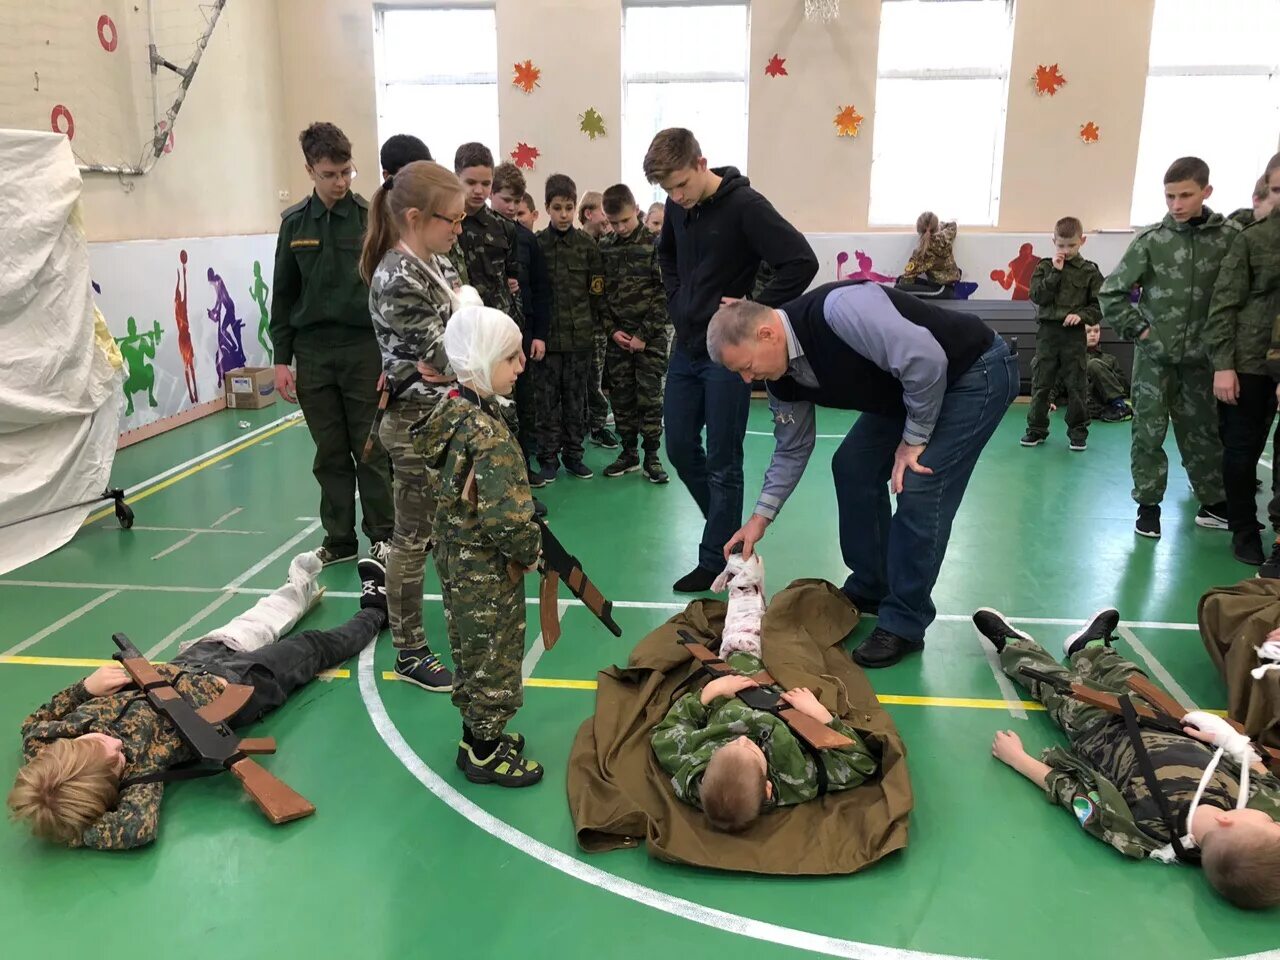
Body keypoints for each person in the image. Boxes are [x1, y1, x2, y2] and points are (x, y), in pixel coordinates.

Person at [710, 282, 1018, 667]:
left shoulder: (842, 310)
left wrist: (913, 440)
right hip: (909, 390)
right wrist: (759, 519)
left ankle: (905, 622)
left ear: (766, 334)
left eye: (746, 367)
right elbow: (791, 448)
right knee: (853, 466)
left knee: (919, 484)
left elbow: (926, 361)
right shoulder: (780, 376)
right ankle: (873, 584)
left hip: (972, 374)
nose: (746, 379)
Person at [8, 555, 387, 849]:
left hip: (185, 666)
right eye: (118, 764)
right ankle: (376, 610)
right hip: (241, 683)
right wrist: (68, 829)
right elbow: (135, 830)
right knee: (313, 647)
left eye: (103, 746)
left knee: (258, 621)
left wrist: (84, 689)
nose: (119, 747)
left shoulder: (45, 741)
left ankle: (300, 582)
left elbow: (33, 722)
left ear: (69, 745)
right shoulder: (140, 775)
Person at [973, 607, 1280, 911]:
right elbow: (1258, 771)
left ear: (1226, 823)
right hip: (1166, 722)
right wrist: (1227, 738)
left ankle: (1014, 646)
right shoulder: (1244, 801)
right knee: (1129, 676)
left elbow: (1070, 792)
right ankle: (1090, 648)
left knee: (1053, 682)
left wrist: (1018, 759)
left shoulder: (1140, 831)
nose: (1271, 816)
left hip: (1097, 729)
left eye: (1269, 822)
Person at [644, 127, 818, 593]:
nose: (676, 198)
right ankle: (725, 531)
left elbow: (801, 261)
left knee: (724, 457)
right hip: (685, 348)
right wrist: (678, 300)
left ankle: (714, 555)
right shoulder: (679, 211)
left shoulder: (746, 207)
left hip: (727, 357)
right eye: (667, 191)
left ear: (702, 164)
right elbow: (668, 258)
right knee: (679, 446)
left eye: (681, 185)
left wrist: (753, 309)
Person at [415, 301, 544, 787]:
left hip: (455, 555)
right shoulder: (488, 432)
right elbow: (506, 519)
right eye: (510, 357)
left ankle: (475, 736)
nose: (520, 365)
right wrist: (531, 549)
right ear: (484, 360)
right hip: (488, 566)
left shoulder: (452, 409)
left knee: (470, 650)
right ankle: (486, 755)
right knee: (495, 654)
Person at [360, 159, 467, 692]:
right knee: (413, 540)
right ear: (414, 216)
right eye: (451, 219)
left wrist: (460, 353)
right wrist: (458, 354)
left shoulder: (441, 265)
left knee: (451, 534)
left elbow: (467, 335)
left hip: (450, 414)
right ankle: (409, 649)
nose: (458, 229)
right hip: (414, 423)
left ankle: (450, 629)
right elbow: (448, 353)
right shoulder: (396, 276)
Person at [270, 123, 393, 566]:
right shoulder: (293, 225)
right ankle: (339, 539)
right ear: (309, 170)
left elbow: (389, 292)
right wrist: (282, 360)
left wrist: (391, 356)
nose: (341, 182)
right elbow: (282, 294)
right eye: (330, 174)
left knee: (371, 447)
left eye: (346, 172)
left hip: (364, 349)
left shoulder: (370, 219)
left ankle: (383, 534)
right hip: (314, 352)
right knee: (330, 452)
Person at [1100, 156, 1239, 540]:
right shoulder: (1152, 241)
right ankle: (1148, 506)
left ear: (1206, 192)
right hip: (1154, 361)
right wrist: (1141, 332)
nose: (1176, 205)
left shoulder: (1227, 239)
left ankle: (1213, 502)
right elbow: (1110, 293)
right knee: (1148, 432)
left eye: (1185, 196)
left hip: (1201, 360)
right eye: (1169, 197)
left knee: (1203, 433)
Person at [650, 657, 878, 833]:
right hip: (786, 688)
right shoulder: (798, 776)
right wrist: (823, 716)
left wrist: (709, 693)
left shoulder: (691, 765)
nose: (742, 740)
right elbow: (861, 762)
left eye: (727, 747)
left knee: (739, 645)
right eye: (750, 750)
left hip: (732, 679)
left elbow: (666, 735)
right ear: (768, 788)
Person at [1206, 153, 1280, 566]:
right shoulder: (1251, 240)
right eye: (1277, 189)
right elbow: (1223, 306)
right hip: (1249, 363)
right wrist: (1223, 364)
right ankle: (1244, 528)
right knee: (1239, 452)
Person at [533, 173, 604, 483]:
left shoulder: (588, 246)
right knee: (546, 402)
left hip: (579, 340)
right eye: (558, 208)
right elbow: (534, 293)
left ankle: (574, 456)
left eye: (569, 208)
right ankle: (548, 459)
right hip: (547, 341)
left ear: (577, 208)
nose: (564, 215)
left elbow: (597, 293)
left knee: (576, 401)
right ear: (547, 207)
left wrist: (593, 330)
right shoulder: (537, 245)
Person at [597, 184, 670, 484]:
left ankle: (652, 456)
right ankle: (629, 453)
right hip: (618, 340)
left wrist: (643, 334)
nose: (620, 227)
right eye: (613, 223)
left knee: (650, 400)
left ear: (636, 208)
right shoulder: (605, 247)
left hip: (649, 340)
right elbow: (599, 295)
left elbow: (665, 294)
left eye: (625, 220)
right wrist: (612, 331)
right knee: (623, 399)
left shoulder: (656, 246)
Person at [1021, 217, 1103, 452]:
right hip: (1048, 333)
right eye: (1061, 246)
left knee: (1077, 384)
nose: (1065, 251)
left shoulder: (1090, 271)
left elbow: (1100, 305)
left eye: (1071, 246)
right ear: (1053, 241)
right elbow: (1037, 296)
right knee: (1041, 382)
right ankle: (1036, 430)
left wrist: (1082, 315)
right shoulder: (1044, 267)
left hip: (1073, 336)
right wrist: (1055, 273)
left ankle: (1078, 433)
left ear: (1082, 241)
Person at [491, 162, 552, 476]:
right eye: (506, 200)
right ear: (492, 195)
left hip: (522, 334)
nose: (512, 207)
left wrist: (539, 333)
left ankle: (523, 470)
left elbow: (542, 290)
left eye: (517, 201)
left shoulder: (526, 239)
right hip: (488, 340)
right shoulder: (470, 231)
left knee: (525, 405)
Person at [578, 190, 619, 450]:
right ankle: (585, 423)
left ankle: (596, 424)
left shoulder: (606, 244)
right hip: (579, 324)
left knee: (596, 377)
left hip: (599, 326)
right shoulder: (577, 244)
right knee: (580, 379)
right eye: (603, 211)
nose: (607, 217)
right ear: (588, 213)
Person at [1048, 324, 1133, 423]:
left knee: (1093, 365)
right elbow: (1057, 382)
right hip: (1087, 408)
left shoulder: (1109, 359)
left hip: (1106, 403)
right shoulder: (1071, 359)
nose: (1093, 335)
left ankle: (1120, 406)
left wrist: (1106, 374)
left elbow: (1124, 387)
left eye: (1096, 331)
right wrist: (1049, 400)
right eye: (1088, 331)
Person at [896, 212, 962, 299]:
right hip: (949, 285)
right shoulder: (946, 236)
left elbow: (907, 279)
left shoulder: (922, 253)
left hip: (941, 290)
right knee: (901, 281)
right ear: (937, 227)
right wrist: (937, 227)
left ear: (919, 230)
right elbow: (952, 224)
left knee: (898, 288)